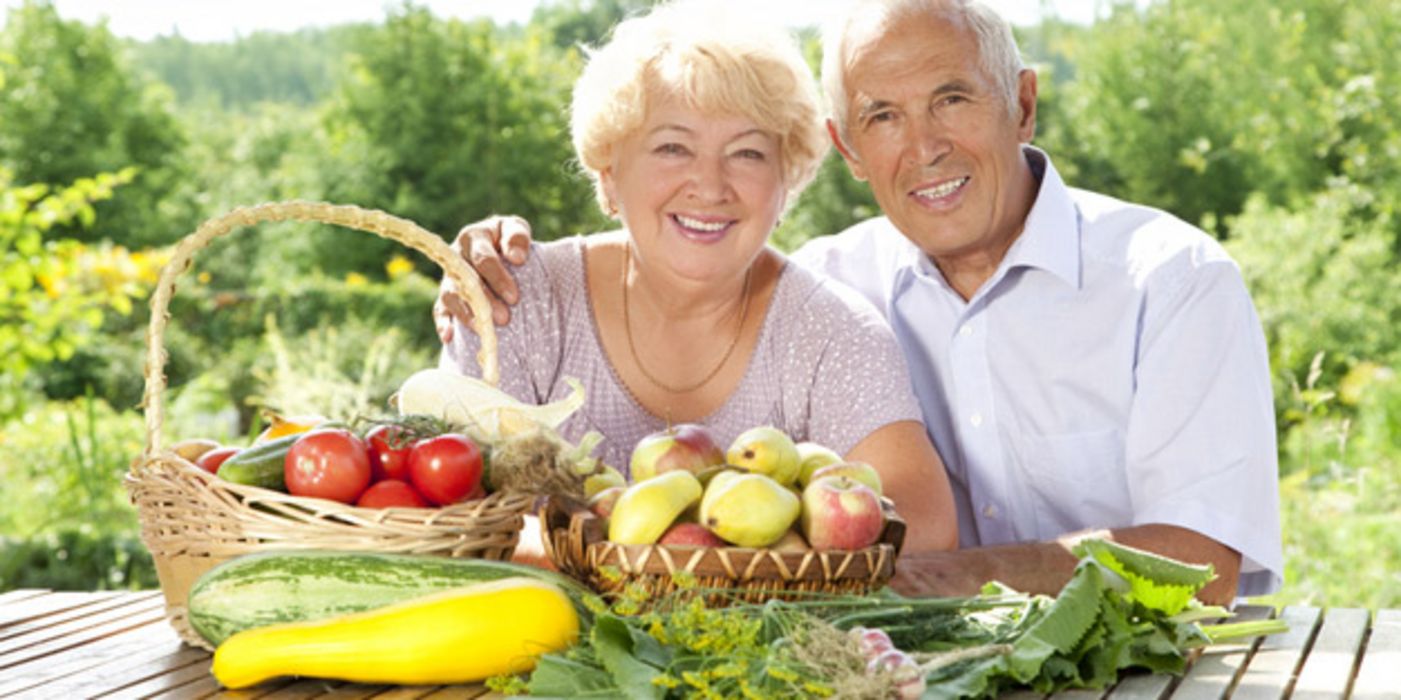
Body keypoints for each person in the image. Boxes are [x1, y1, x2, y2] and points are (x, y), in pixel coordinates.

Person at [437, 0, 1283, 604]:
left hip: (1158, 667)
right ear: (845, 148)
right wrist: (477, 257)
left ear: (1021, 103)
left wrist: (944, 575)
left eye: (951, 98)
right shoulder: (832, 279)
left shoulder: (1168, 280)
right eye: (881, 115)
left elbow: (1201, 564)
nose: (922, 147)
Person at [436, 0, 958, 554]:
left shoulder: (832, 329)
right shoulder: (519, 298)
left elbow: (923, 529)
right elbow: (447, 511)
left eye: (748, 153)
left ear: (786, 184)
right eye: (672, 147)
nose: (710, 186)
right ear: (609, 177)